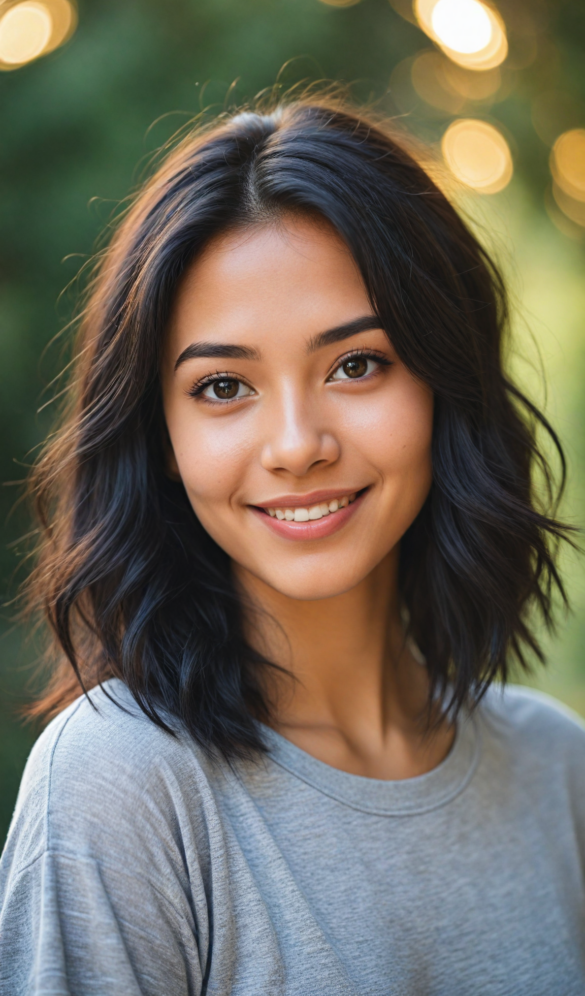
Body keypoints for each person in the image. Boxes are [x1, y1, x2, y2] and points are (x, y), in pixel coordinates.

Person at [0, 101, 584, 996]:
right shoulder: (120, 784)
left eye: (355, 364)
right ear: (160, 436)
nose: (296, 445)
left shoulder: (557, 769)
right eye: (223, 386)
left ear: (445, 383)